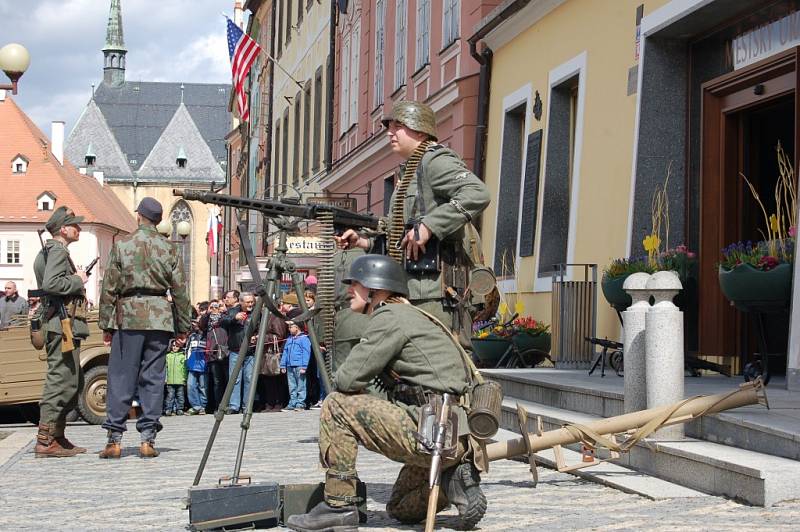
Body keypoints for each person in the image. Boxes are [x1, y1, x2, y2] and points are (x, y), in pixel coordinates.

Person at [286, 255, 484, 532]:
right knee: (400, 507)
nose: (348, 291)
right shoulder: (416, 315)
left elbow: (347, 379)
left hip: (430, 432)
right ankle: (454, 484)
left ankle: (339, 505)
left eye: (354, 284)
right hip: (456, 437)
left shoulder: (389, 317)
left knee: (336, 405)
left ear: (374, 290)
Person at [335, 100, 490, 347]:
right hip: (415, 289)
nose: (390, 132)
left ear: (419, 130)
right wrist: (363, 241)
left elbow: (477, 193)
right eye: (390, 126)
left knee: (440, 364)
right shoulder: (410, 171)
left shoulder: (434, 161)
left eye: (398, 126)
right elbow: (401, 231)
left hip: (438, 295)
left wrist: (430, 226)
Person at [98, 197, 191, 459]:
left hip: (128, 316)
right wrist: (183, 325)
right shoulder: (170, 248)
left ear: (139, 216)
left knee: (121, 377)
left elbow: (109, 287)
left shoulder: (123, 245)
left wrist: (106, 322)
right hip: (160, 317)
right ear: (159, 220)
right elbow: (180, 291)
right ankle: (148, 438)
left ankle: (114, 439)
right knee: (153, 377)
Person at [32, 206, 90, 457]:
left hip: (60, 323)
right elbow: (52, 284)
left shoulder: (48, 251)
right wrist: (79, 280)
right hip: (60, 323)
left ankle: (57, 435)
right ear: (63, 229)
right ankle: (45, 440)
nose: (78, 229)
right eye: (74, 225)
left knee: (72, 381)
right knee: (60, 380)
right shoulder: (56, 250)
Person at [220, 292, 257, 414]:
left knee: (249, 378)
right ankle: (234, 405)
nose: (250, 304)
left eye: (252, 302)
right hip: (236, 350)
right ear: (241, 302)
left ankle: (247, 405)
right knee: (234, 379)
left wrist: (256, 336)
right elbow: (223, 321)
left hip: (250, 351)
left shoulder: (257, 313)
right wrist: (234, 318)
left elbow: (262, 327)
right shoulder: (232, 311)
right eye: (248, 302)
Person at [200, 298, 229, 413]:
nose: (214, 309)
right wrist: (208, 313)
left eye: (216, 307)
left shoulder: (223, 318)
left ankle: (228, 404)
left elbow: (229, 320)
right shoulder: (207, 321)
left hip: (226, 352)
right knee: (217, 382)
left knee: (228, 379)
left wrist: (222, 311)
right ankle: (218, 405)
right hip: (213, 354)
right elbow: (201, 324)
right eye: (212, 307)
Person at [280, 320, 311, 411]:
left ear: (297, 327)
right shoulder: (289, 339)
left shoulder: (304, 339)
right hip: (290, 366)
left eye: (290, 327)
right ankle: (292, 402)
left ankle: (300, 403)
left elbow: (306, 353)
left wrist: (304, 366)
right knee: (292, 386)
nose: (289, 329)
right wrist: (283, 365)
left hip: (299, 365)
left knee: (301, 385)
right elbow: (285, 352)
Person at [185, 322, 207, 415]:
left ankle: (202, 407)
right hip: (192, 364)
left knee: (203, 387)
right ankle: (195, 406)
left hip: (204, 364)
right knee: (190, 385)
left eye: (198, 323)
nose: (196, 325)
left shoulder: (206, 335)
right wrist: (187, 361)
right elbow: (187, 349)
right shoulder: (192, 336)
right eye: (194, 324)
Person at [164, 340, 188, 416]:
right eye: (173, 346)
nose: (175, 347)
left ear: (180, 347)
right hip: (170, 380)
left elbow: (184, 368)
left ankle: (179, 409)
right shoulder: (168, 356)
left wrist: (185, 378)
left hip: (180, 380)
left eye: (177, 346)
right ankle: (169, 409)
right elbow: (166, 368)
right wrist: (165, 378)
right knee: (170, 396)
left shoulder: (182, 356)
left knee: (180, 396)